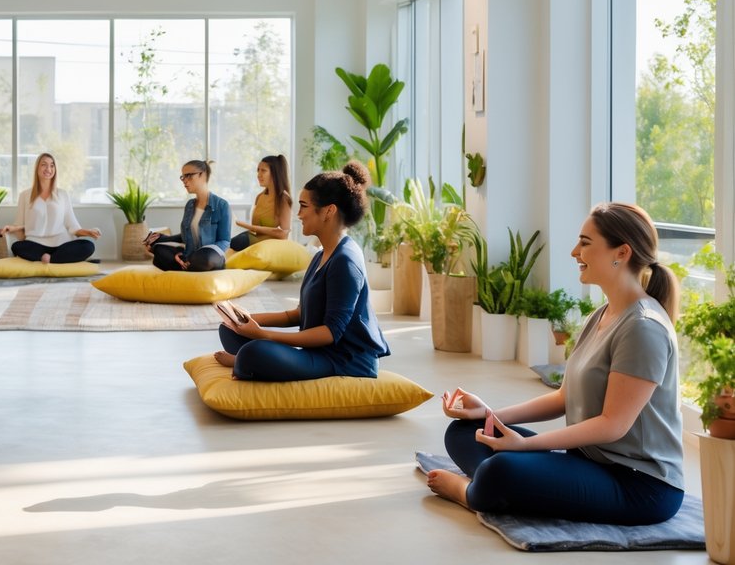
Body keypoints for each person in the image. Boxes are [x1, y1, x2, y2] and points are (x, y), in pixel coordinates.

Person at [426, 202, 684, 526]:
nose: (576, 252)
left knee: (499, 470)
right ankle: (510, 487)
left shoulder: (643, 328)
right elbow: (563, 398)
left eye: (585, 243)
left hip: (639, 485)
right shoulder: (602, 315)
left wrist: (525, 446)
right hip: (589, 462)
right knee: (467, 432)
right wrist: (489, 414)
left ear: (622, 252)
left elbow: (612, 425)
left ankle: (472, 492)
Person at [214, 159, 390, 381]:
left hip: (344, 360)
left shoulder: (346, 261)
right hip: (317, 353)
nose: (298, 214)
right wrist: (247, 318)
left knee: (252, 352)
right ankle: (245, 360)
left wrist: (262, 334)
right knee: (229, 328)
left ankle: (244, 360)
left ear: (328, 211)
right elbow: (297, 314)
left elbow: (329, 333)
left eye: (304, 206)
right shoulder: (320, 256)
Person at [0, 152, 101, 264]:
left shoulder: (63, 194)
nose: (48, 168)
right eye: (44, 165)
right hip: (35, 244)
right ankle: (58, 259)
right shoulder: (25, 195)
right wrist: (11, 229)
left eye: (52, 165)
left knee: (88, 246)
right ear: (37, 168)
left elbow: (72, 226)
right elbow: (20, 229)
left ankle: (50, 258)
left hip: (62, 244)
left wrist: (88, 232)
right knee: (17, 247)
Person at [143, 160, 230, 272]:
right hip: (191, 253)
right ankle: (187, 264)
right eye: (182, 177)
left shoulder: (221, 205)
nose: (184, 181)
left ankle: (187, 264)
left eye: (188, 176)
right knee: (159, 250)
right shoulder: (189, 205)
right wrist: (161, 239)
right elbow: (185, 236)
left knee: (204, 258)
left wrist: (201, 253)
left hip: (210, 255)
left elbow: (224, 240)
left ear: (202, 175)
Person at [231, 154, 294, 252]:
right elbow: (255, 230)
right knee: (232, 241)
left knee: (239, 241)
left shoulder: (283, 199)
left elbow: (284, 234)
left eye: (263, 171)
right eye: (258, 170)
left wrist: (245, 225)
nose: (258, 175)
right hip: (257, 240)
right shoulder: (259, 197)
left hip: (271, 246)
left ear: (274, 173)